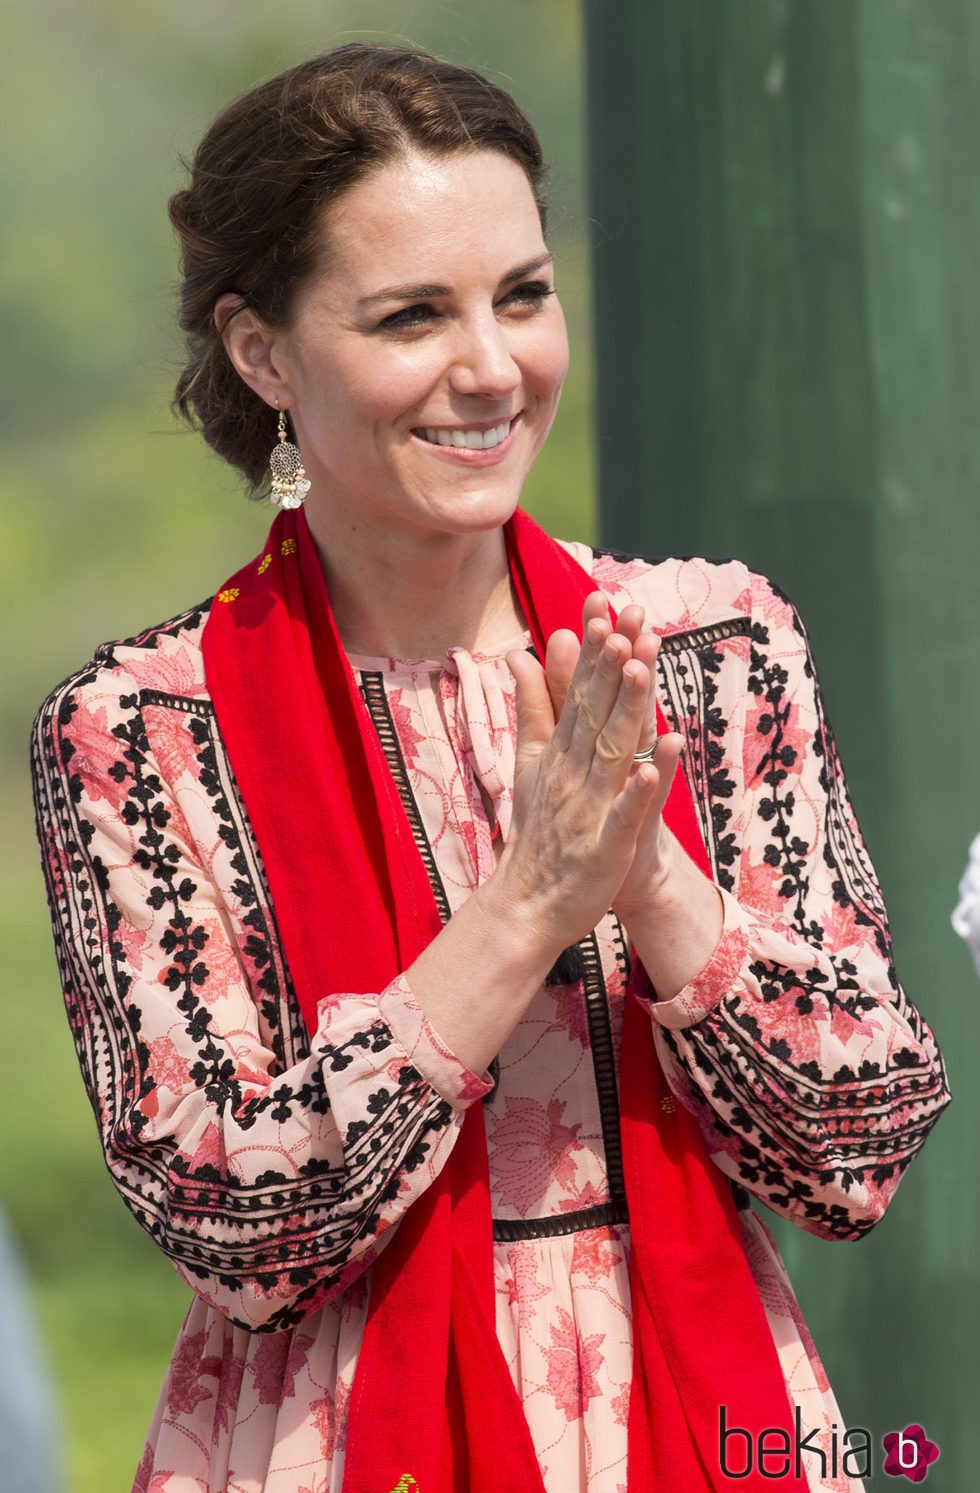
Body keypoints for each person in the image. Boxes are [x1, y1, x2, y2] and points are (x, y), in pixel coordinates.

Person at [32, 43, 950, 1493]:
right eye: (411, 316)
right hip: (335, 1442)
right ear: (263, 350)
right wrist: (526, 903)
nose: (491, 366)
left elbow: (861, 1140)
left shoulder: (711, 645)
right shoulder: (144, 728)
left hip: (717, 1427)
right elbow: (232, 1223)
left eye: (523, 295)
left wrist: (643, 871)